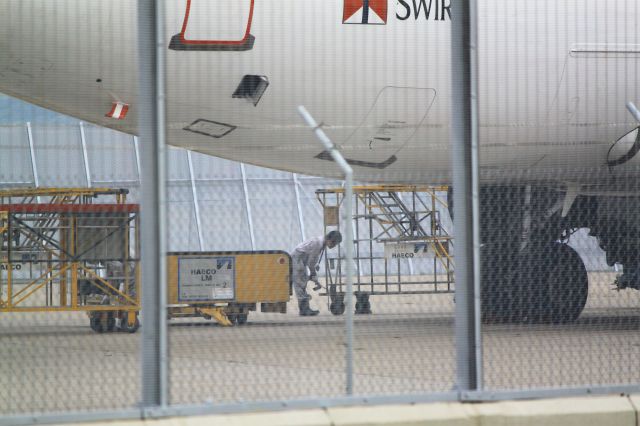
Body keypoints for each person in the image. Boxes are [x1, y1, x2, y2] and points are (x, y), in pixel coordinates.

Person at [291, 230, 342, 316]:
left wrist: (312, 273)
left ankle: (305, 308)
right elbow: (311, 262)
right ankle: (304, 310)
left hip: (300, 259)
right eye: (334, 244)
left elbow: (311, 261)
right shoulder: (318, 244)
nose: (334, 246)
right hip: (298, 259)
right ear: (330, 240)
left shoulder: (320, 242)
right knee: (300, 283)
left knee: (302, 283)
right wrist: (313, 274)